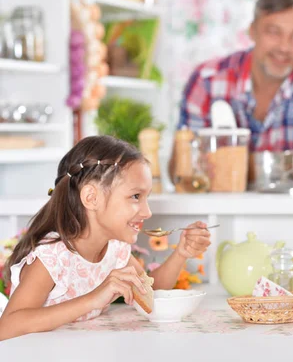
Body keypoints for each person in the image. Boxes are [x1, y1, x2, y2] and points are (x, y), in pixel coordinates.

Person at [0, 136, 211, 341]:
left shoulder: (115, 249)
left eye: (147, 198)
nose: (147, 212)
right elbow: (7, 327)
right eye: (136, 196)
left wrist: (181, 252)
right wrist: (93, 299)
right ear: (91, 198)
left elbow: (150, 292)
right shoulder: (51, 258)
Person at [171, 0, 293, 185]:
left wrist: (226, 163)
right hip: (220, 210)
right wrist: (281, 168)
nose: (285, 47)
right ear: (252, 31)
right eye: (274, 32)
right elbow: (182, 172)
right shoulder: (207, 79)